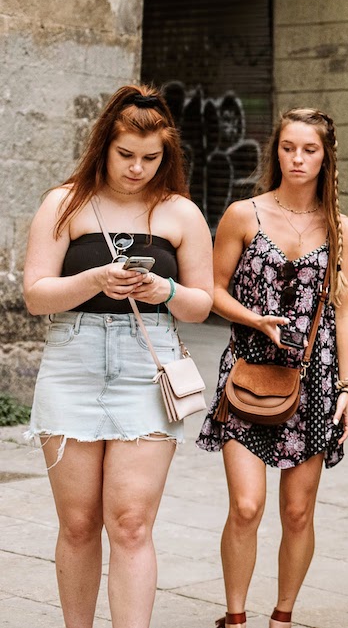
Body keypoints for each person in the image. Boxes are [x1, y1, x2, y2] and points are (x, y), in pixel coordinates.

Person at [23, 84, 215, 628]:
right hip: (73, 360)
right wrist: (95, 279)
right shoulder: (64, 202)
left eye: (150, 158)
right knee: (79, 523)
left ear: (166, 155)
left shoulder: (180, 211)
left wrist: (167, 294)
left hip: (144, 367)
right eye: (126, 155)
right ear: (104, 145)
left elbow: (202, 305)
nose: (137, 168)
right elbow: (36, 295)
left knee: (131, 522)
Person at [197, 108, 348, 628]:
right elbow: (212, 292)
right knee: (247, 506)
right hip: (247, 370)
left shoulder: (342, 229)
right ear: (276, 151)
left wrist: (347, 388)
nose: (297, 158)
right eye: (289, 147)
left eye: (309, 149)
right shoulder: (243, 214)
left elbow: (343, 310)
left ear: (326, 156)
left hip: (313, 379)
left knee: (297, 512)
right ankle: (235, 617)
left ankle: (282, 617)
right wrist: (255, 319)